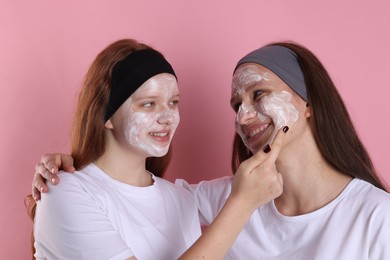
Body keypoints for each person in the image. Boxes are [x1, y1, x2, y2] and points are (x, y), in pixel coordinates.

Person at [31, 41, 390, 259]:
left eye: (259, 94)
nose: (245, 115)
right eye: (237, 105)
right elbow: (121, 192)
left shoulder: (378, 218)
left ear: (310, 102)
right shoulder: (229, 201)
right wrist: (68, 168)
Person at [25, 38, 286, 260]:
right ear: (106, 116)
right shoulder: (65, 192)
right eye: (148, 104)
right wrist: (242, 204)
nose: (168, 117)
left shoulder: (182, 200)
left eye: (173, 102)